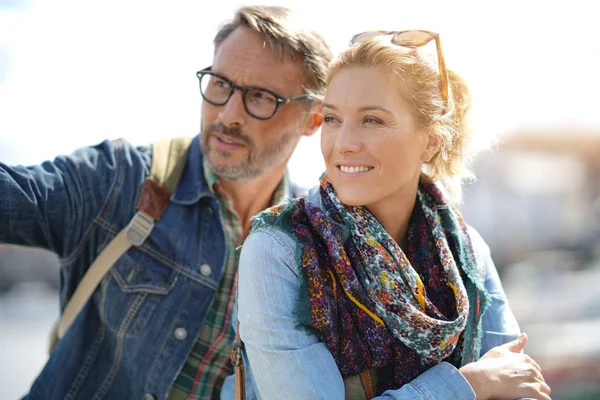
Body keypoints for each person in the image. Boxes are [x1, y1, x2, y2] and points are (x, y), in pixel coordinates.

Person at [0, 6, 332, 399]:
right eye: (220, 84)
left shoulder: (315, 242)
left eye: (260, 97)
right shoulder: (122, 179)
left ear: (313, 119)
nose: (228, 114)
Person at [227, 31, 551, 400]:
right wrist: (471, 383)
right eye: (332, 118)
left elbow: (518, 383)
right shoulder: (280, 250)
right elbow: (496, 379)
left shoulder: (466, 250)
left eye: (372, 121)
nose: (344, 142)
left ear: (430, 141)